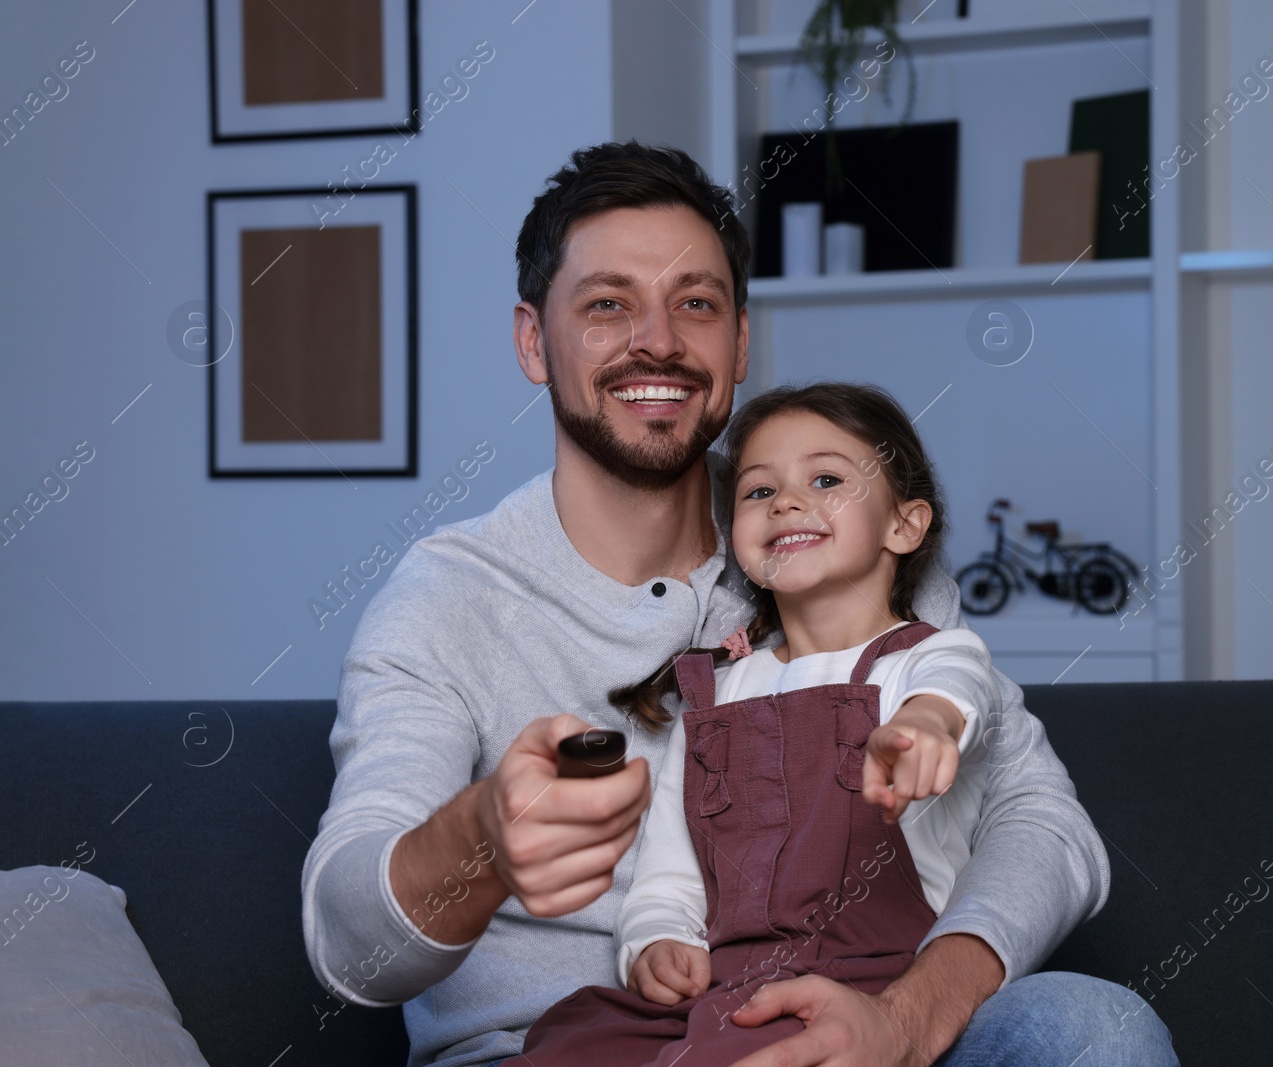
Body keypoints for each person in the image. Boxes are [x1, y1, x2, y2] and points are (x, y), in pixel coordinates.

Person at [301, 140, 1179, 1067]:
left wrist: (909, 1019)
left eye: (696, 304)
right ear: (532, 340)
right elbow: (349, 945)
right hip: (557, 1047)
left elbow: (1047, 827)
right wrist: (477, 839)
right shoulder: (449, 599)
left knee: (1096, 1030)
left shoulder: (837, 541)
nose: (659, 340)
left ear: (741, 342)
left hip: (853, 1024)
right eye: (607, 305)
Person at [517, 383, 1004, 1066]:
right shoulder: (716, 693)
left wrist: (928, 723)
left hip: (870, 979)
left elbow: (958, 692)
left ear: (905, 524)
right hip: (729, 982)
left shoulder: (927, 659)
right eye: (756, 491)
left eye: (827, 478)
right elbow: (672, 868)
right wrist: (658, 939)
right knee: (573, 1040)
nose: (786, 501)